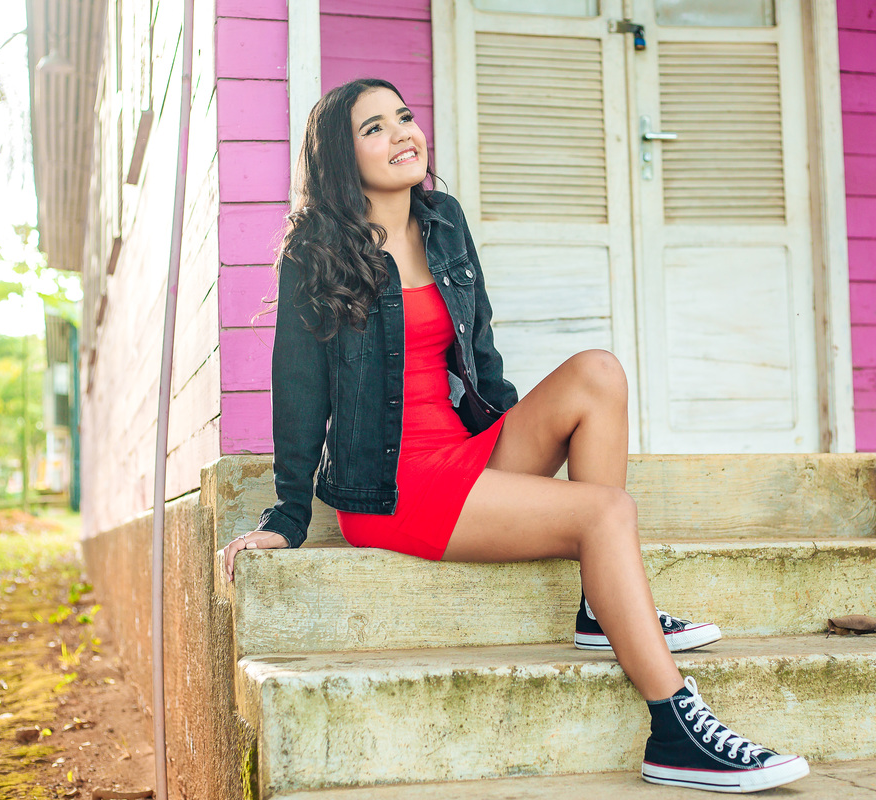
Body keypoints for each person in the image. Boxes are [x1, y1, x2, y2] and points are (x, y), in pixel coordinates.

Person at [223, 77, 809, 793]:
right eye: (374, 128)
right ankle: (674, 729)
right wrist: (287, 516)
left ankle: (600, 606)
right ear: (343, 158)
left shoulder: (442, 222)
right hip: (391, 485)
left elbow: (480, 353)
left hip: (458, 449)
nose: (402, 133)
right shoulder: (317, 253)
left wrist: (515, 436)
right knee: (606, 511)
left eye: (404, 117)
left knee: (598, 372)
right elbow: (297, 389)